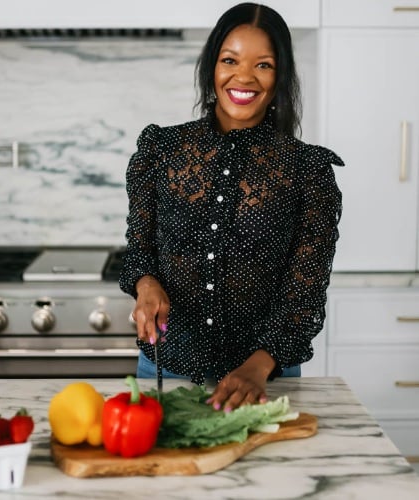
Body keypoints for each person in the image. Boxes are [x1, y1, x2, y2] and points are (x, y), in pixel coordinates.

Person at [119, 2, 343, 411]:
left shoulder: (308, 170)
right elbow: (139, 250)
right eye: (230, 60)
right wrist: (146, 283)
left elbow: (304, 292)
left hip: (263, 377)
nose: (244, 76)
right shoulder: (160, 150)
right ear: (212, 68)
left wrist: (258, 367)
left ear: (280, 78)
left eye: (264, 65)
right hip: (166, 368)